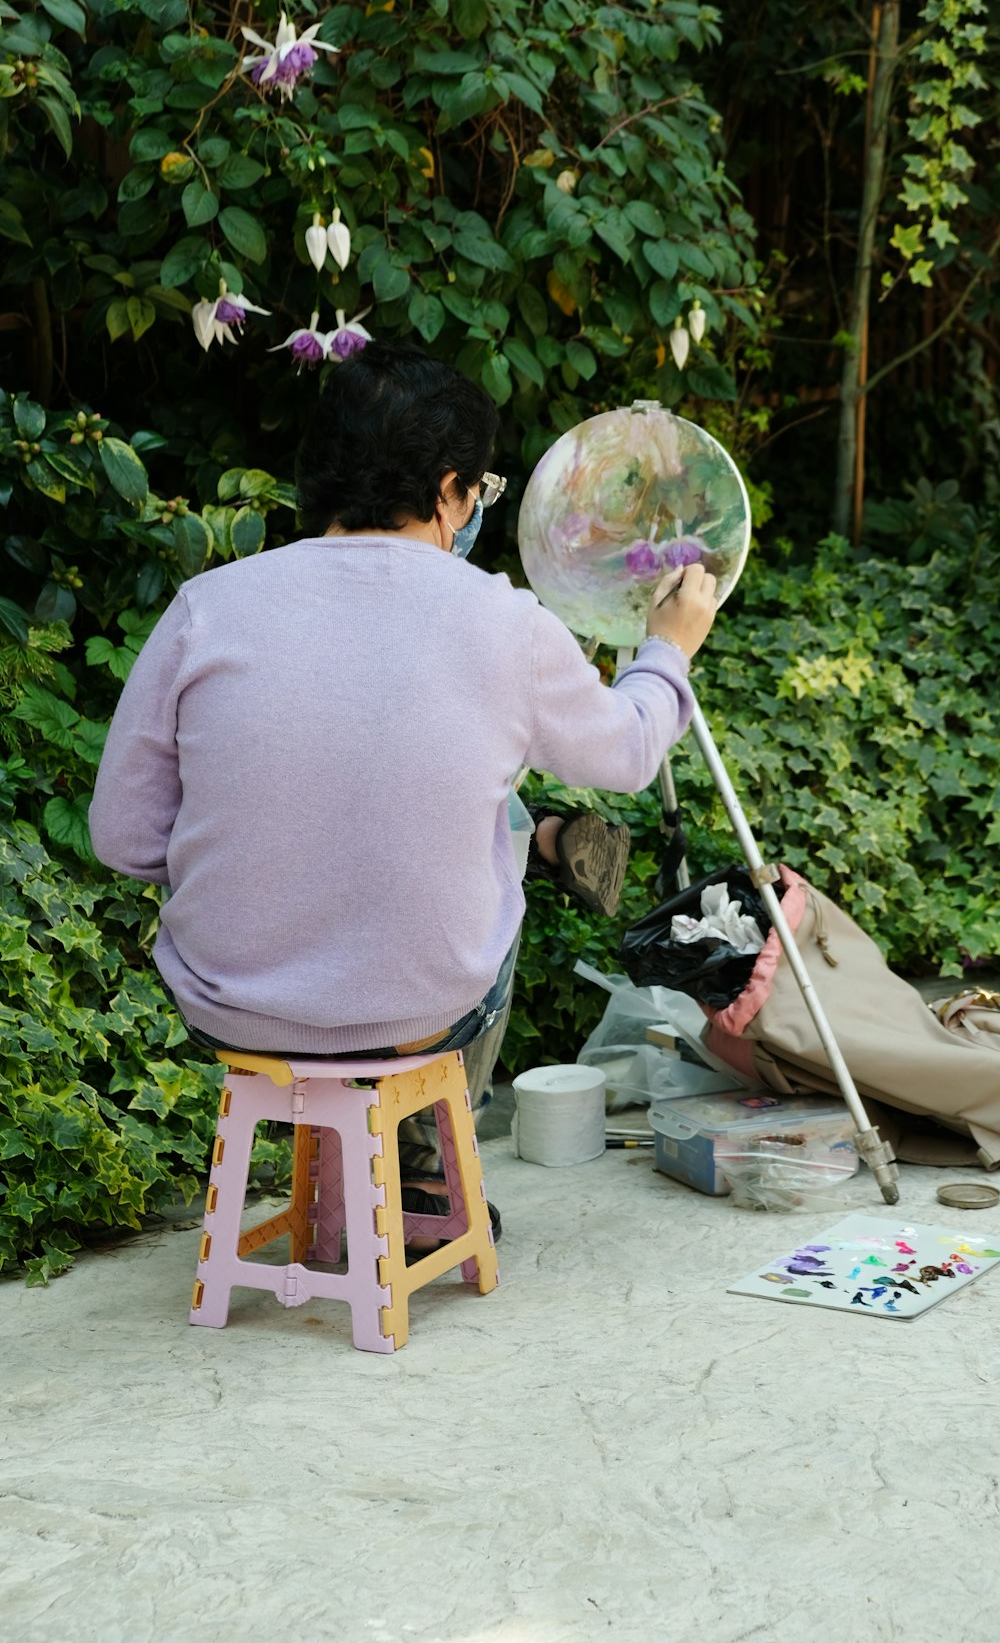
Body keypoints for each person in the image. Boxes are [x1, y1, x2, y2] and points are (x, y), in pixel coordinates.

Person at [89, 343, 718, 1230]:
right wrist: (670, 645)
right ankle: (420, 1161)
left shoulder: (207, 606)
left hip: (229, 1000)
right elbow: (627, 753)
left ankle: (365, 1168)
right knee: (491, 851)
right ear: (450, 489)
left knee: (472, 814)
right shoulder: (502, 619)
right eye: (482, 493)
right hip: (423, 1010)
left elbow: (121, 839)